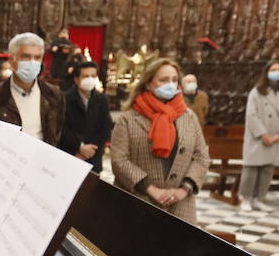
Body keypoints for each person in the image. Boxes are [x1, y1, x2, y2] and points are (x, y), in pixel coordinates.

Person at [110, 58, 210, 224]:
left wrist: (184, 190)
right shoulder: (129, 119)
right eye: (163, 80)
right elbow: (119, 159)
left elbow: (202, 157)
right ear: (148, 83)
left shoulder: (188, 117)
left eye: (174, 80)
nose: (170, 84)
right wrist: (150, 188)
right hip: (138, 199)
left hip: (180, 204)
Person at [0, 31, 65, 145]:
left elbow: (56, 132)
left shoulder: (54, 95)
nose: (32, 62)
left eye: (37, 57)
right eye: (26, 57)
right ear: (12, 60)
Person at [238, 60, 279, 212]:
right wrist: (263, 134)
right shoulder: (256, 92)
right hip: (258, 137)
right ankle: (246, 198)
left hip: (276, 137)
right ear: (266, 72)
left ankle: (259, 198)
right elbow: (251, 115)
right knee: (252, 168)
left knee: (268, 169)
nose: (277, 72)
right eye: (273, 69)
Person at [58, 62, 113, 174]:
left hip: (94, 156)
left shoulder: (102, 99)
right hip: (71, 155)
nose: (90, 79)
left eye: (93, 76)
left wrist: (91, 150)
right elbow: (61, 128)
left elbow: (106, 127)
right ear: (77, 80)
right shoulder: (64, 99)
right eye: (86, 76)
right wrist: (80, 147)